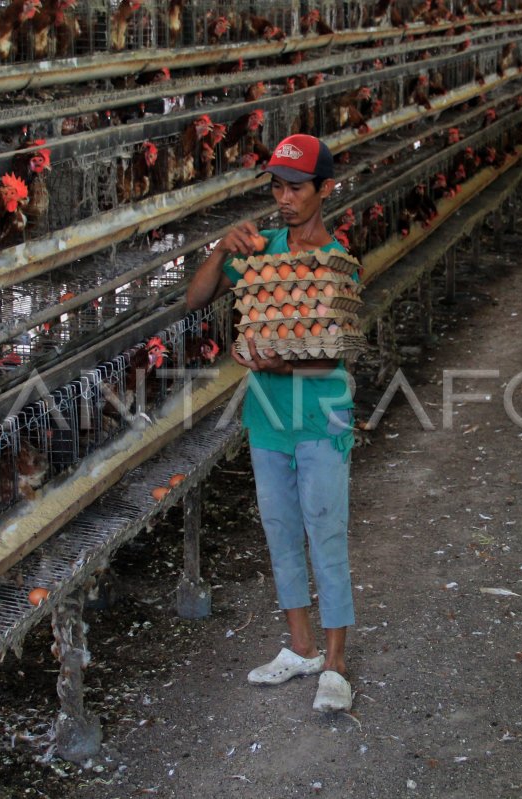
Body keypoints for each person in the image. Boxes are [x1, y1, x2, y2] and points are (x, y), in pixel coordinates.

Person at [186, 134, 356, 713]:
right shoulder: (261, 250)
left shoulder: (337, 261)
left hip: (322, 415)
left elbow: (331, 355)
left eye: (296, 188)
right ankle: (302, 649)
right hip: (267, 417)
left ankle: (335, 663)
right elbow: (194, 300)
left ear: (324, 190)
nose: (284, 199)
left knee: (325, 530)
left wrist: (280, 358)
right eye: (278, 188)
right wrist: (218, 250)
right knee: (281, 529)